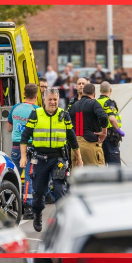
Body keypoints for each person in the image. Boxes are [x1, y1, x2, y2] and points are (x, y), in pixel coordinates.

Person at [20, 87, 82, 233]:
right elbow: (24, 137)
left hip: (58, 159)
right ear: (44, 99)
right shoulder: (36, 114)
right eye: (50, 99)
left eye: (55, 99)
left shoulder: (64, 115)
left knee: (60, 190)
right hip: (40, 159)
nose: (53, 102)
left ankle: (61, 220)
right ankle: (37, 214)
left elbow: (72, 138)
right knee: (39, 192)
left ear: (58, 99)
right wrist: (23, 156)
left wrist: (79, 158)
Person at [7, 83, 39, 213]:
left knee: (14, 175)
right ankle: (28, 207)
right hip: (30, 147)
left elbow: (9, 128)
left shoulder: (15, 108)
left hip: (16, 146)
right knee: (29, 178)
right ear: (36, 96)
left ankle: (9, 201)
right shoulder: (37, 110)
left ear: (24, 94)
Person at [67, 83, 108, 166]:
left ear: (82, 93)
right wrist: (104, 132)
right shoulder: (93, 103)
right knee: (96, 173)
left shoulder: (73, 106)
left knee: (76, 173)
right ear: (94, 94)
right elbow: (103, 117)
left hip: (75, 147)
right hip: (90, 144)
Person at [97, 82, 125, 165]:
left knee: (101, 163)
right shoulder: (109, 102)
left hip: (99, 136)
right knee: (114, 166)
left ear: (100, 90)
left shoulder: (95, 102)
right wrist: (119, 130)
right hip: (110, 137)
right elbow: (112, 119)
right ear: (110, 90)